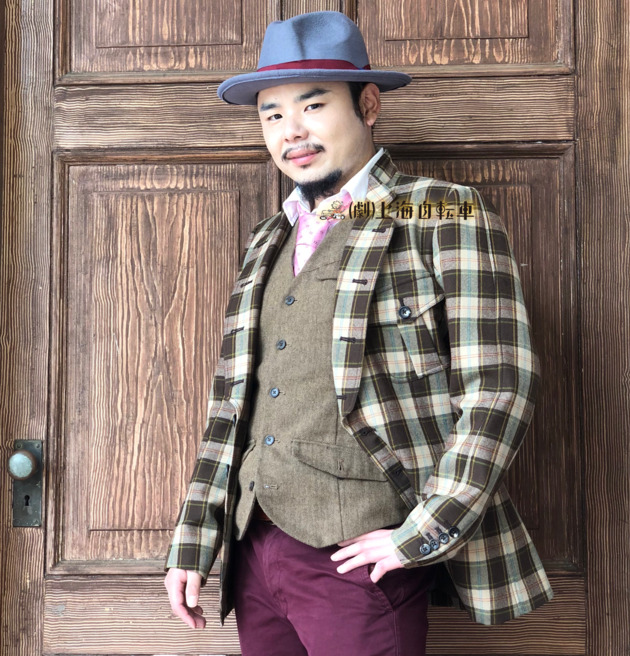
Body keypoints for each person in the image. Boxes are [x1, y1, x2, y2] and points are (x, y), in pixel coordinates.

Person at [164, 10, 553, 656]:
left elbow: (500, 388)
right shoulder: (267, 240)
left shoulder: (442, 212)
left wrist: (422, 532)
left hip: (359, 563)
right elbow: (230, 407)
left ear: (368, 105)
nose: (292, 131)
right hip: (253, 556)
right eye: (272, 114)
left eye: (313, 106)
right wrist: (193, 542)